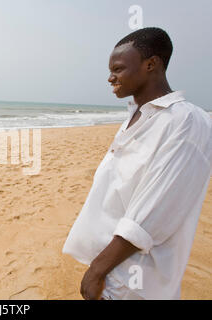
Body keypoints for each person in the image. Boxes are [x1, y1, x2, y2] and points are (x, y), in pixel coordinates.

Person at [62, 27, 211, 300]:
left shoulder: (185, 120)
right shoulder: (140, 116)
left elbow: (157, 209)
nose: (110, 78)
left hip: (135, 283)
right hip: (114, 275)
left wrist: (97, 270)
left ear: (150, 65)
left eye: (118, 69)